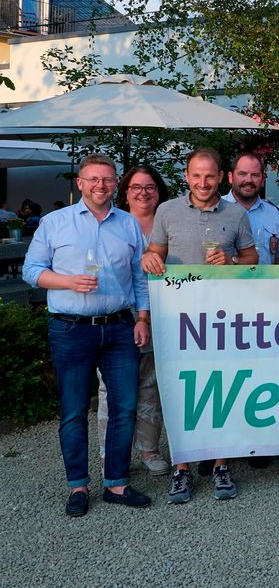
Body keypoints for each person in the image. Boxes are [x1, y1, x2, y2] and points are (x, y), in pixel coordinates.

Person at [22, 154, 152, 516]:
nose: (100, 185)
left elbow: (140, 278)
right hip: (70, 329)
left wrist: (142, 317)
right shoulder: (55, 223)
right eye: (93, 179)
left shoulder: (128, 225)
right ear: (80, 183)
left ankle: (117, 483)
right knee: (74, 411)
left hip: (119, 327)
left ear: (116, 184)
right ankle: (78, 486)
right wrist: (67, 281)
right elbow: (31, 271)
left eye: (108, 180)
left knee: (125, 409)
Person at [143, 147, 258, 503]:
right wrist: (149, 256)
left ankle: (221, 464)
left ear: (221, 177)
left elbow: (252, 259)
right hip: (177, 317)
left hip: (222, 318)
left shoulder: (236, 213)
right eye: (196, 175)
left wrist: (232, 259)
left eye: (210, 176)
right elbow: (155, 254)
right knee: (180, 391)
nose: (203, 182)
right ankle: (182, 467)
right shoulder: (167, 210)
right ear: (187, 177)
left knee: (220, 388)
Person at [96, 166, 171, 477]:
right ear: (124, 192)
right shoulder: (111, 225)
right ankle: (110, 453)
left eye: (150, 186)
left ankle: (149, 449)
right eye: (136, 187)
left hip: (162, 315)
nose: (143, 192)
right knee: (110, 388)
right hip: (118, 317)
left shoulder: (169, 222)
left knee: (151, 386)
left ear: (159, 191)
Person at [223, 152, 279, 264]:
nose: (249, 180)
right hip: (227, 280)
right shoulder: (217, 209)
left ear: (262, 180)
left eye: (255, 175)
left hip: (265, 280)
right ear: (230, 177)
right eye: (242, 174)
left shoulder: (274, 213)